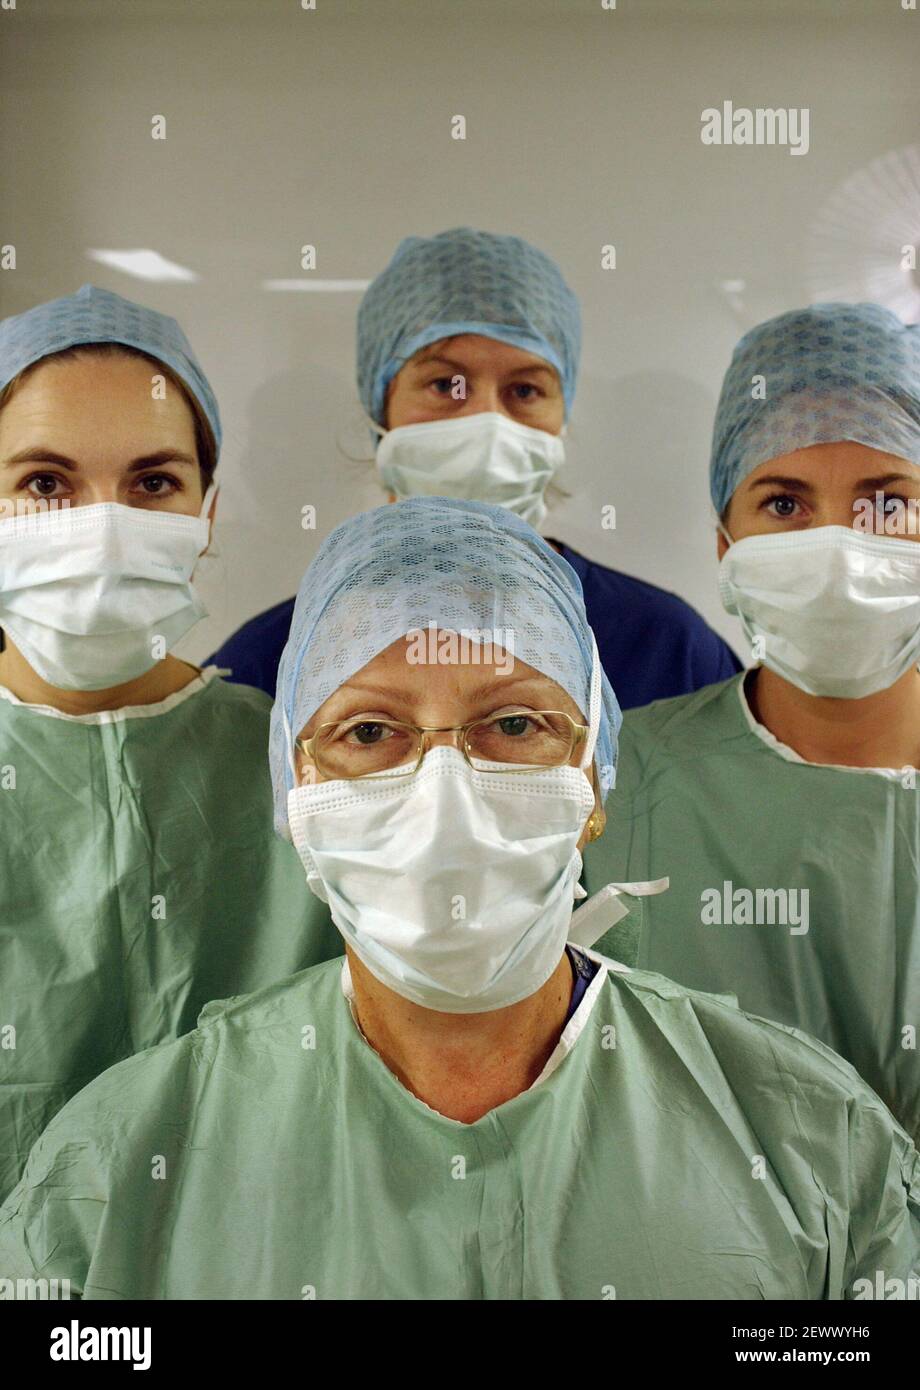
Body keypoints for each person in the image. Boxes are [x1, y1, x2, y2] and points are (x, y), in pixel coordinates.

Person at [1, 496, 916, 1301]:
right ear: (297, 794)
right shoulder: (117, 1173)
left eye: (514, 724)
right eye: (368, 730)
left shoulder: (809, 1142)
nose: (443, 791)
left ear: (595, 780)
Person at [0, 285, 341, 1201]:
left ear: (207, 512)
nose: (102, 524)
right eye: (44, 483)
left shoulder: (302, 770)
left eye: (152, 483)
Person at [585, 303, 920, 1145]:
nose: (838, 544)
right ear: (724, 540)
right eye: (784, 503)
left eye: (887, 503)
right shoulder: (625, 785)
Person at [208, 228, 739, 704]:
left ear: (561, 418)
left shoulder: (666, 648)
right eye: (445, 384)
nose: (487, 421)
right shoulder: (275, 660)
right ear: (379, 409)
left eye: (525, 390)